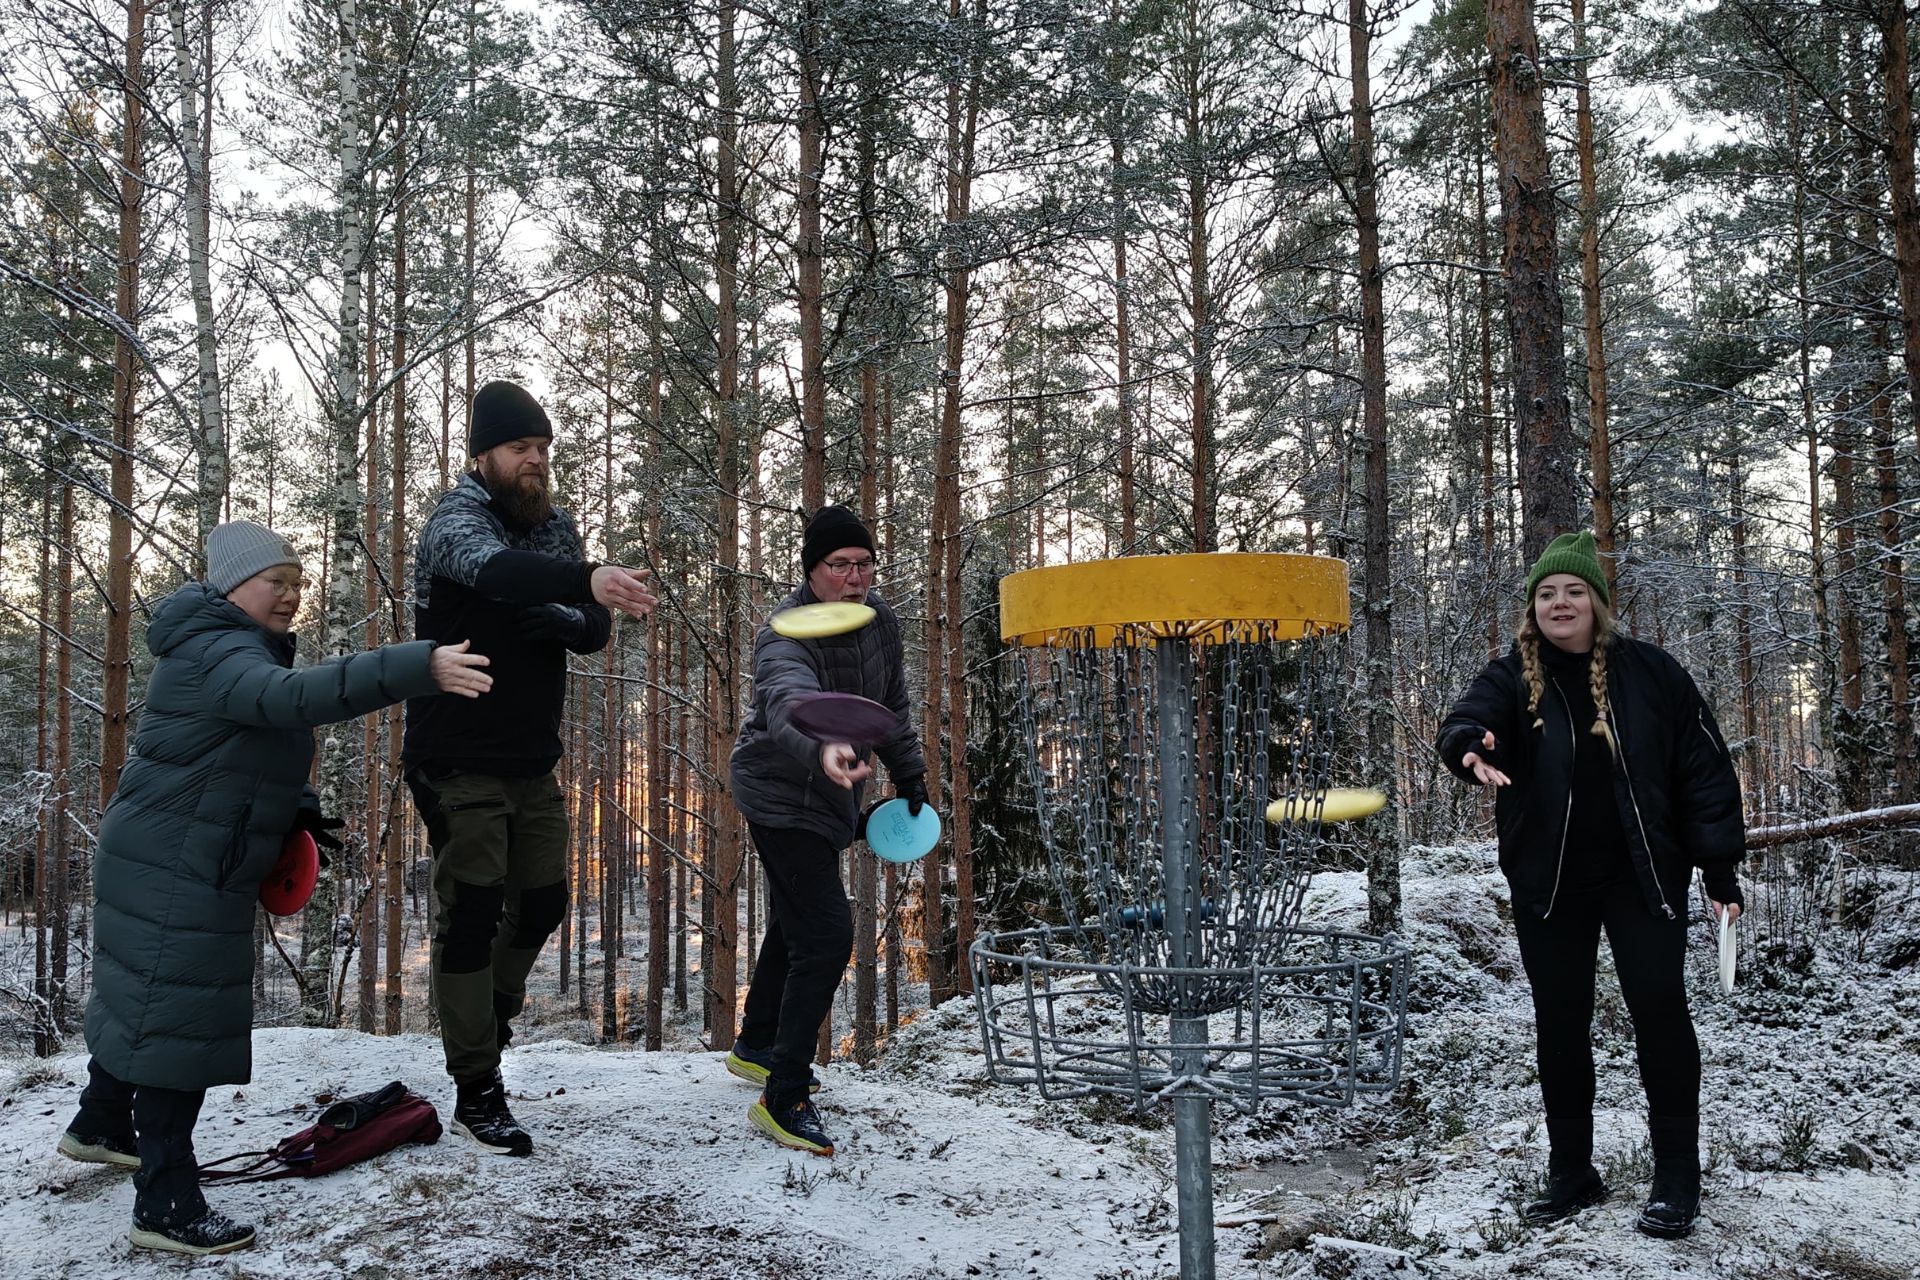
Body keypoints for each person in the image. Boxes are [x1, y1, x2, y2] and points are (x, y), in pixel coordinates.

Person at [62, 520, 492, 1256]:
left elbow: (234, 745)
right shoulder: (218, 648)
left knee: (148, 999)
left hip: (175, 851)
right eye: (277, 582)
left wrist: (296, 811)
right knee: (176, 1024)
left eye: (299, 582)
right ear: (233, 585)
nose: (292, 596)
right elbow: (288, 701)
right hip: (178, 865)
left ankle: (100, 1123)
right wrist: (418, 665)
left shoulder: (227, 643)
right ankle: (165, 1204)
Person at [1435, 530, 1745, 1239]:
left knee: (1661, 1014)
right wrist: (1469, 748)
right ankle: (1572, 1171)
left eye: (1574, 591)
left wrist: (1720, 868)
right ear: (1533, 610)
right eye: (1547, 593)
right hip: (1551, 885)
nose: (1560, 602)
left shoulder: (1653, 674)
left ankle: (1675, 1180)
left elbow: (1705, 773)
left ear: (1598, 604)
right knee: (1561, 1024)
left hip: (1644, 878)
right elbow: (1466, 720)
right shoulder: (1513, 676)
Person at [403, 379, 656, 1157]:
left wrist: (569, 605)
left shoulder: (555, 526)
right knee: (474, 910)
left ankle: (487, 1015)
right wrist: (575, 587)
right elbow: (493, 573)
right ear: (483, 455)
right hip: (457, 756)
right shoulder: (455, 520)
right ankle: (478, 1084)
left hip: (530, 757)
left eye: (543, 450)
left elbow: (591, 630)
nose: (535, 463)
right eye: (521, 449)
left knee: (543, 900)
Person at [728, 504, 928, 1156]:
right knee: (826, 931)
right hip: (783, 794)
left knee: (796, 921)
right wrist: (823, 748)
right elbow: (789, 701)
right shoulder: (783, 634)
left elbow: (892, 708)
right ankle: (784, 1096)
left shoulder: (882, 624)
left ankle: (758, 1044)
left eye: (864, 564)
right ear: (812, 571)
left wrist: (912, 777)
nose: (854, 577)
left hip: (836, 796)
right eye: (839, 565)